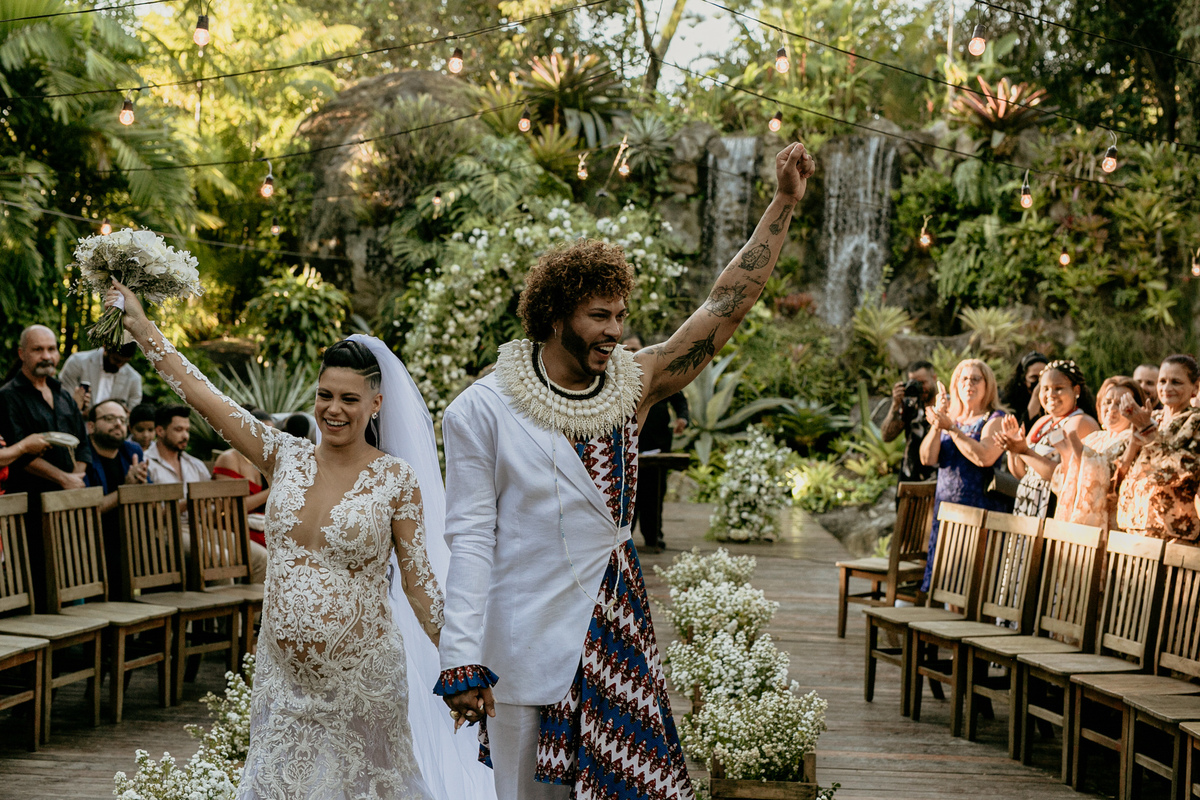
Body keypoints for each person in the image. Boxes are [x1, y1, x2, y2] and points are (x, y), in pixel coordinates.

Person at [437, 142, 814, 800]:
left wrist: (782, 203)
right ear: (555, 317)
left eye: (620, 315)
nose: (615, 330)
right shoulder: (483, 408)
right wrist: (460, 656)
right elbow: (469, 539)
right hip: (521, 639)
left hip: (614, 626)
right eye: (598, 316)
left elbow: (725, 307)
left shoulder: (631, 386)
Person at [105, 280, 497, 800]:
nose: (334, 409)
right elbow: (202, 395)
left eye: (350, 399)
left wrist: (460, 663)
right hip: (282, 682)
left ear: (376, 403)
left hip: (363, 684)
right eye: (325, 395)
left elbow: (419, 585)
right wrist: (140, 326)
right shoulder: (283, 455)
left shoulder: (395, 479)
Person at [0, 325, 93, 610]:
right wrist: (63, 479)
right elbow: (18, 453)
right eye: (38, 350)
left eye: (51, 349)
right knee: (37, 579)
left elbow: (83, 443)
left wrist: (76, 477)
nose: (46, 356)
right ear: (22, 354)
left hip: (68, 502)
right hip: (30, 502)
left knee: (71, 573)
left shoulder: (62, 393)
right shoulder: (8, 396)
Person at [145, 404, 268, 583]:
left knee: (262, 558)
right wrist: (189, 502)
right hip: (166, 530)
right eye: (178, 430)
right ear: (160, 431)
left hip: (200, 526)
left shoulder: (194, 465)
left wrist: (218, 504)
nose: (185, 435)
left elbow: (212, 503)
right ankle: (226, 603)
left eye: (187, 430)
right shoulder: (146, 464)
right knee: (220, 558)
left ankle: (252, 603)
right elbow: (149, 517)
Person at [918, 359, 1008, 590]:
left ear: (988, 385)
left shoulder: (995, 419)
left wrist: (951, 428)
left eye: (976, 379)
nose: (969, 384)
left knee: (975, 586)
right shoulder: (950, 418)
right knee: (946, 584)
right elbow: (927, 459)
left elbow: (984, 457)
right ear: (955, 385)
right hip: (947, 510)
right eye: (963, 379)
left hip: (979, 512)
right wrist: (938, 422)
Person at [995, 360, 1099, 520]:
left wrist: (1024, 451)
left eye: (1058, 388)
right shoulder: (1042, 422)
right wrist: (1013, 449)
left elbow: (1065, 476)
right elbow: (1021, 473)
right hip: (1028, 504)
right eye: (1045, 389)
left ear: (1076, 390)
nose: (1051, 394)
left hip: (1054, 508)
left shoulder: (1081, 423)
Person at [1116, 355, 1200, 542]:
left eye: (1176, 382)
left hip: (1172, 535)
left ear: (1195, 387)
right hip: (1131, 529)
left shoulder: (1196, 422)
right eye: (1162, 381)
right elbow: (1118, 471)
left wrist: (1147, 430)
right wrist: (1134, 439)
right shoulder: (1151, 416)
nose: (1167, 388)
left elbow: (1180, 471)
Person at [620, 332, 688, 553]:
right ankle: (624, 540)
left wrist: (682, 418)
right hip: (626, 450)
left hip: (657, 447)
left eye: (635, 348)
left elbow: (679, 399)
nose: (632, 353)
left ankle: (653, 537)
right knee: (627, 495)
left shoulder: (657, 375)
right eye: (627, 349)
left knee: (654, 494)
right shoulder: (615, 376)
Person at [1050, 376, 1144, 528]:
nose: (1112, 408)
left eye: (1120, 403)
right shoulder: (1093, 438)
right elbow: (1062, 483)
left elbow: (1114, 479)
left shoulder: (1133, 440)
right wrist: (1067, 456)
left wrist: (1081, 453)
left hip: (1111, 521)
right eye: (1108, 402)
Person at [84, 398, 149, 599]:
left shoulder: (132, 451)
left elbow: (147, 495)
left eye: (122, 419)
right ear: (91, 426)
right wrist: (125, 490)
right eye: (109, 418)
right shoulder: (82, 455)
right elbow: (88, 510)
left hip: (129, 534)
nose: (118, 424)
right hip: (92, 540)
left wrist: (141, 487)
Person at [213, 407, 273, 548]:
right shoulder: (229, 459)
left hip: (261, 525)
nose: (270, 438)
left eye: (272, 433)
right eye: (264, 432)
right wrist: (272, 490)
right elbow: (231, 508)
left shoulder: (265, 460)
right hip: (234, 528)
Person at [880, 360, 938, 484]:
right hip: (910, 477)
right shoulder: (910, 405)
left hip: (938, 477)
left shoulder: (947, 405)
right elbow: (886, 436)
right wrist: (895, 405)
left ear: (934, 378)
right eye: (913, 383)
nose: (919, 388)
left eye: (922, 383)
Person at [59, 341, 143, 414]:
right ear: (105, 347)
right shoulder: (77, 362)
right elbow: (63, 399)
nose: (119, 366)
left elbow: (132, 413)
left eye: (124, 362)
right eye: (116, 360)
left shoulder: (134, 379)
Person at [1001, 351, 1049, 433]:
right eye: (1034, 377)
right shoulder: (1011, 402)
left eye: (1043, 376)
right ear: (1024, 379)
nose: (1039, 382)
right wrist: (1035, 399)